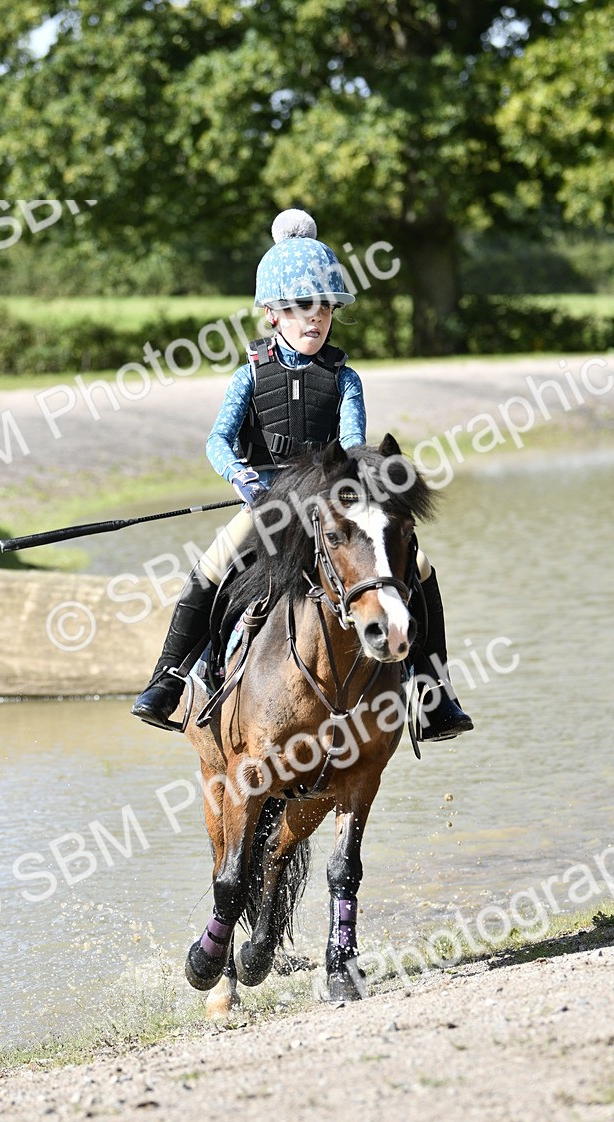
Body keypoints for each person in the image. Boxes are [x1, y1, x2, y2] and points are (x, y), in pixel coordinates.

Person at [131, 209, 473, 742]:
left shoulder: (345, 378)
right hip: (269, 504)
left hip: (330, 506)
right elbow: (217, 441)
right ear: (273, 313)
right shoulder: (250, 374)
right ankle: (168, 681)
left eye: (322, 308)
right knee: (212, 565)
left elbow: (353, 449)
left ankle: (433, 695)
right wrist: (245, 481)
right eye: (298, 308)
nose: (313, 319)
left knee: (420, 568)